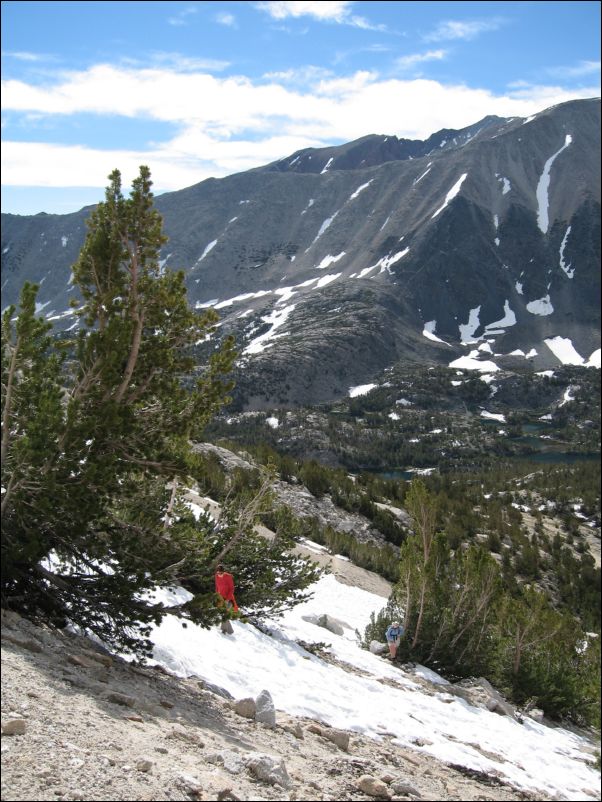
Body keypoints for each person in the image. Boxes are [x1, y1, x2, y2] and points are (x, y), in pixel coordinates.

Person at [215, 564, 238, 633]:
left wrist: (228, 599)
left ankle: (224, 630)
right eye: (218, 573)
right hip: (220, 597)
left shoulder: (228, 577)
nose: (219, 574)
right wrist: (216, 595)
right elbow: (217, 586)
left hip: (229, 599)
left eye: (221, 573)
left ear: (223, 572)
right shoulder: (216, 576)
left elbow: (232, 589)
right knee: (222, 613)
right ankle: (230, 631)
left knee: (225, 614)